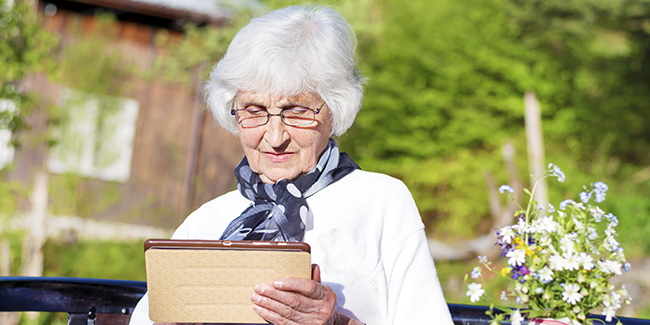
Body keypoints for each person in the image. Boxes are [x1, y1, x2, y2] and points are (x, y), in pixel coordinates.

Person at [129, 5, 454, 325]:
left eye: (297, 110)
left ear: (335, 109)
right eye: (254, 110)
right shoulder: (203, 225)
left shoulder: (380, 201)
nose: (274, 137)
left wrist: (338, 324)